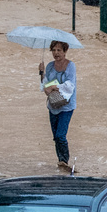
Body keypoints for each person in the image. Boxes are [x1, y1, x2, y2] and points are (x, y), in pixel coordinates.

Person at [39, 40, 76, 173]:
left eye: (59, 50)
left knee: (61, 135)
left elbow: (70, 86)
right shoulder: (49, 66)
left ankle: (65, 161)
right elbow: (44, 86)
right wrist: (41, 73)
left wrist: (55, 86)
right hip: (53, 105)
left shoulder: (70, 66)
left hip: (67, 106)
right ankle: (60, 161)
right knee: (55, 136)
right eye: (54, 50)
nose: (56, 53)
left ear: (65, 51)